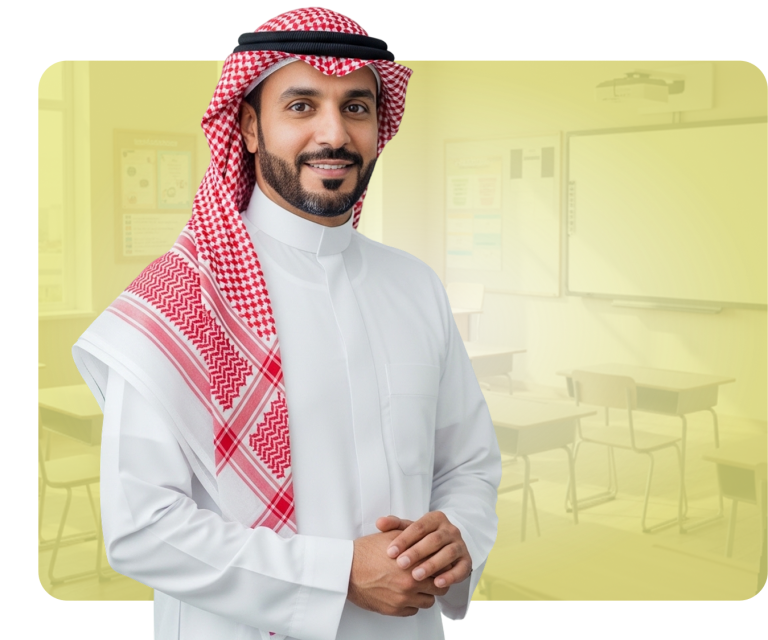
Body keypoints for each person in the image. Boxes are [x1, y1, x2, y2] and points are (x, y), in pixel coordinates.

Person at [73, 7, 501, 640]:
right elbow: (142, 527)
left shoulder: (415, 286)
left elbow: (467, 466)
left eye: (356, 108)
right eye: (302, 106)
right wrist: (338, 575)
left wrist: (456, 535)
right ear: (249, 127)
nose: (334, 133)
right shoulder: (179, 299)